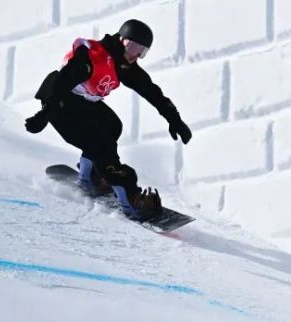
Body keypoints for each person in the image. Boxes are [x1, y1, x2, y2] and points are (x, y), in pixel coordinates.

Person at [23, 19, 192, 221]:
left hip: (82, 102)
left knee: (112, 126)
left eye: (142, 51)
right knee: (102, 144)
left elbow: (152, 92)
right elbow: (62, 82)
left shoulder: (125, 65)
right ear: (121, 40)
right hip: (59, 103)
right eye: (132, 47)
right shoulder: (92, 58)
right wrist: (45, 114)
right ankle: (130, 199)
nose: (135, 55)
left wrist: (175, 119)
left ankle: (90, 176)